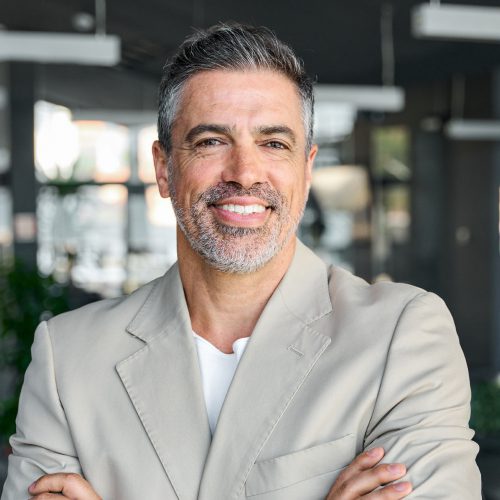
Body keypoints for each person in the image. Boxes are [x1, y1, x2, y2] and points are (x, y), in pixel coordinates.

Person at [2, 23, 481, 500]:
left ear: (307, 169)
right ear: (164, 168)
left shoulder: (401, 335)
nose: (245, 173)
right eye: (211, 141)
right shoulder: (69, 357)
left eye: (274, 144)